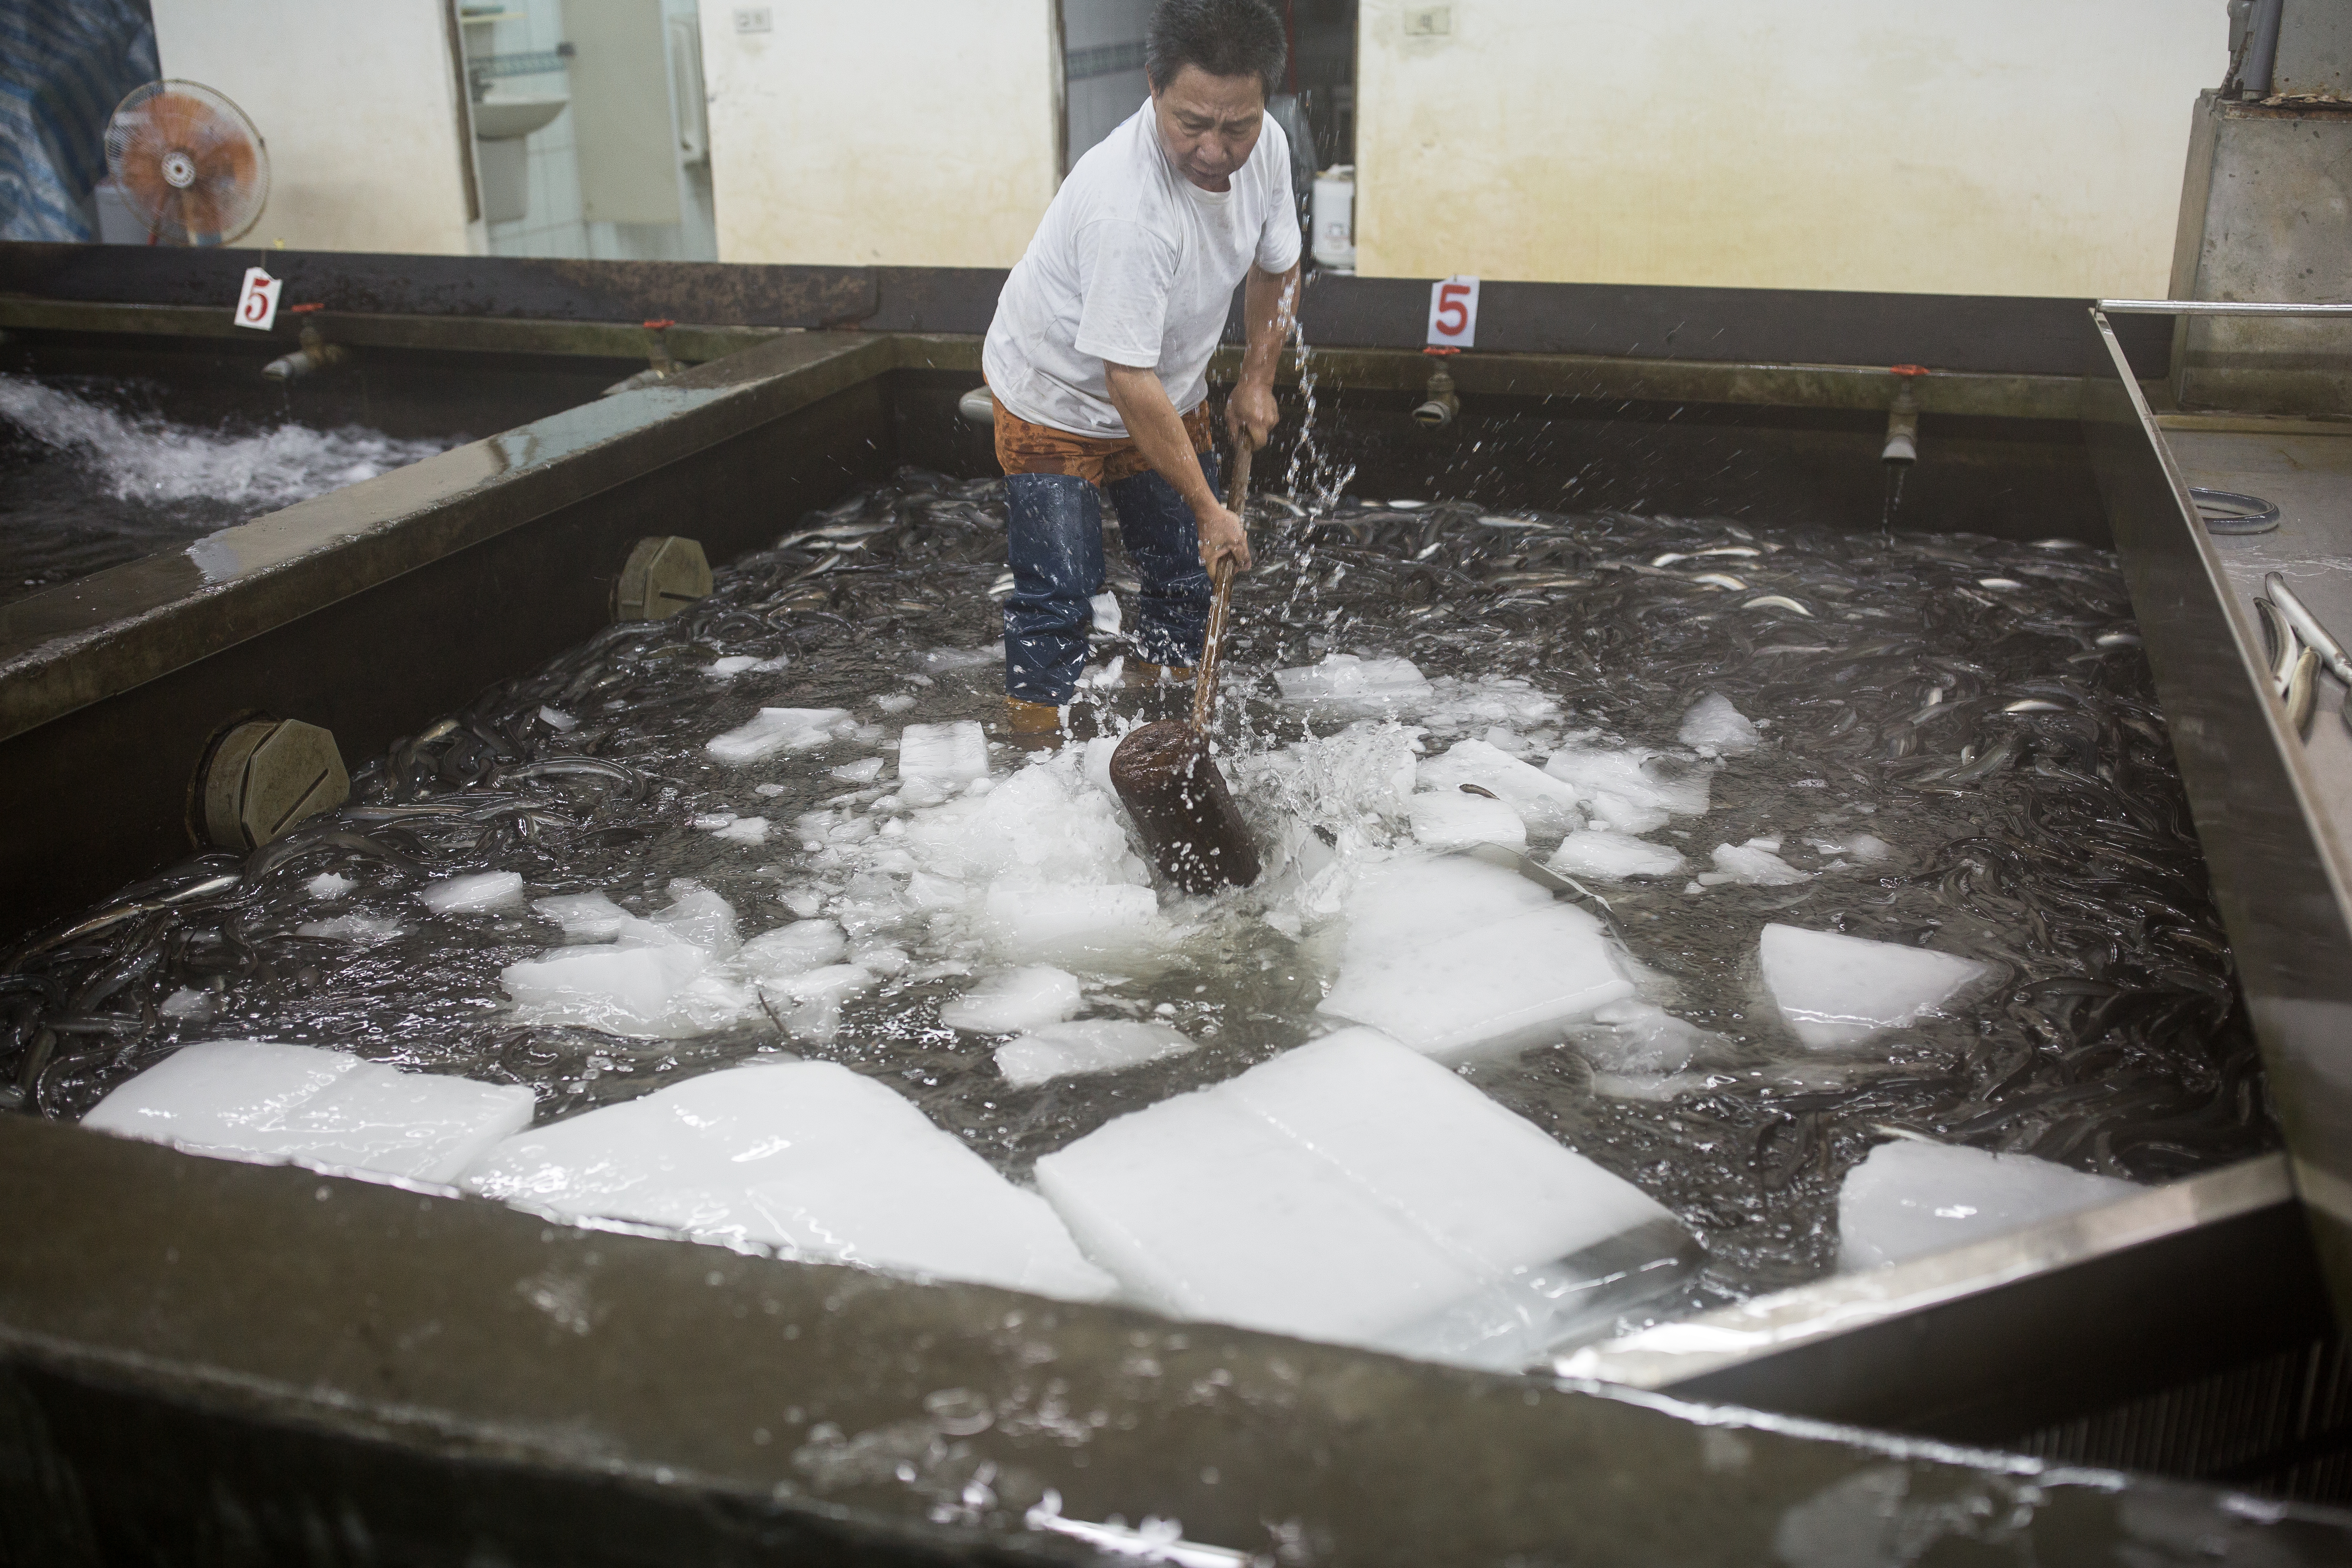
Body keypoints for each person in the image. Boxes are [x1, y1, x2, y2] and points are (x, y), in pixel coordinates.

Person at [982, 0, 1301, 743]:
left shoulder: (1271, 146)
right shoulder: (1125, 205)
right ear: (1153, 85)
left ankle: (1164, 719)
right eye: (1192, 123)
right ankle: (1036, 753)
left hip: (1167, 385)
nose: (1216, 151)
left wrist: (1257, 376)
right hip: (1052, 395)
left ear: (1263, 103)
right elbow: (1124, 378)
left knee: (1187, 579)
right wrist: (1208, 507)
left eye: (1237, 126)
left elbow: (1278, 266)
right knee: (1060, 593)